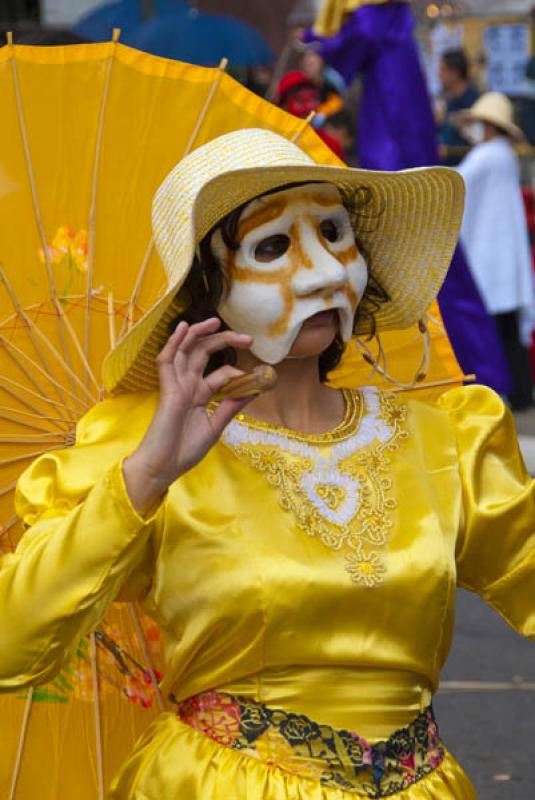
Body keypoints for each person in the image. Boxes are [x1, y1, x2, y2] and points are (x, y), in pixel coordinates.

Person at [1, 128, 534, 799]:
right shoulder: (139, 449)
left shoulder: (443, 441)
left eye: (334, 235)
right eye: (272, 246)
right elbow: (13, 644)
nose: (321, 272)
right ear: (204, 291)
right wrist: (147, 476)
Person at [301, 0, 512, 397]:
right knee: (439, 265)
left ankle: (456, 371)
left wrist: (320, 49)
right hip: (405, 148)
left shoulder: (375, 15)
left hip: (396, 153)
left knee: (422, 264)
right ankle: (476, 371)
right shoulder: (388, 15)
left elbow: (351, 43)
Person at [456, 92, 535, 410]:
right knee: (507, 332)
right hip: (503, 258)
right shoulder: (504, 156)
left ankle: (505, 390)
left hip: (488, 259)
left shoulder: (487, 156)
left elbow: (457, 183)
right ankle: (520, 392)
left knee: (492, 331)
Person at [438, 48, 480, 164]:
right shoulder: (449, 101)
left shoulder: (475, 102)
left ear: (455, 72)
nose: (439, 74)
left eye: (443, 69)